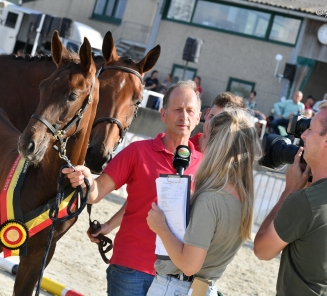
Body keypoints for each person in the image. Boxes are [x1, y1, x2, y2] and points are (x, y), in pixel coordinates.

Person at [62, 80, 203, 296]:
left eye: (190, 110)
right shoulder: (137, 152)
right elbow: (96, 192)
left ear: (198, 116)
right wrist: (86, 179)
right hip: (131, 269)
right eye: (177, 109)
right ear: (163, 114)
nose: (184, 116)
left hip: (177, 277)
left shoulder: (206, 166)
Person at [146, 108, 262, 296]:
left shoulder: (210, 199)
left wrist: (161, 227)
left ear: (217, 145)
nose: (200, 140)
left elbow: (189, 265)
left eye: (206, 136)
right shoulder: (242, 197)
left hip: (176, 288)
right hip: (204, 288)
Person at [253, 102, 327, 296]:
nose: (303, 135)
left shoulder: (306, 203)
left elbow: (262, 249)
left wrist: (290, 190)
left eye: (310, 129)